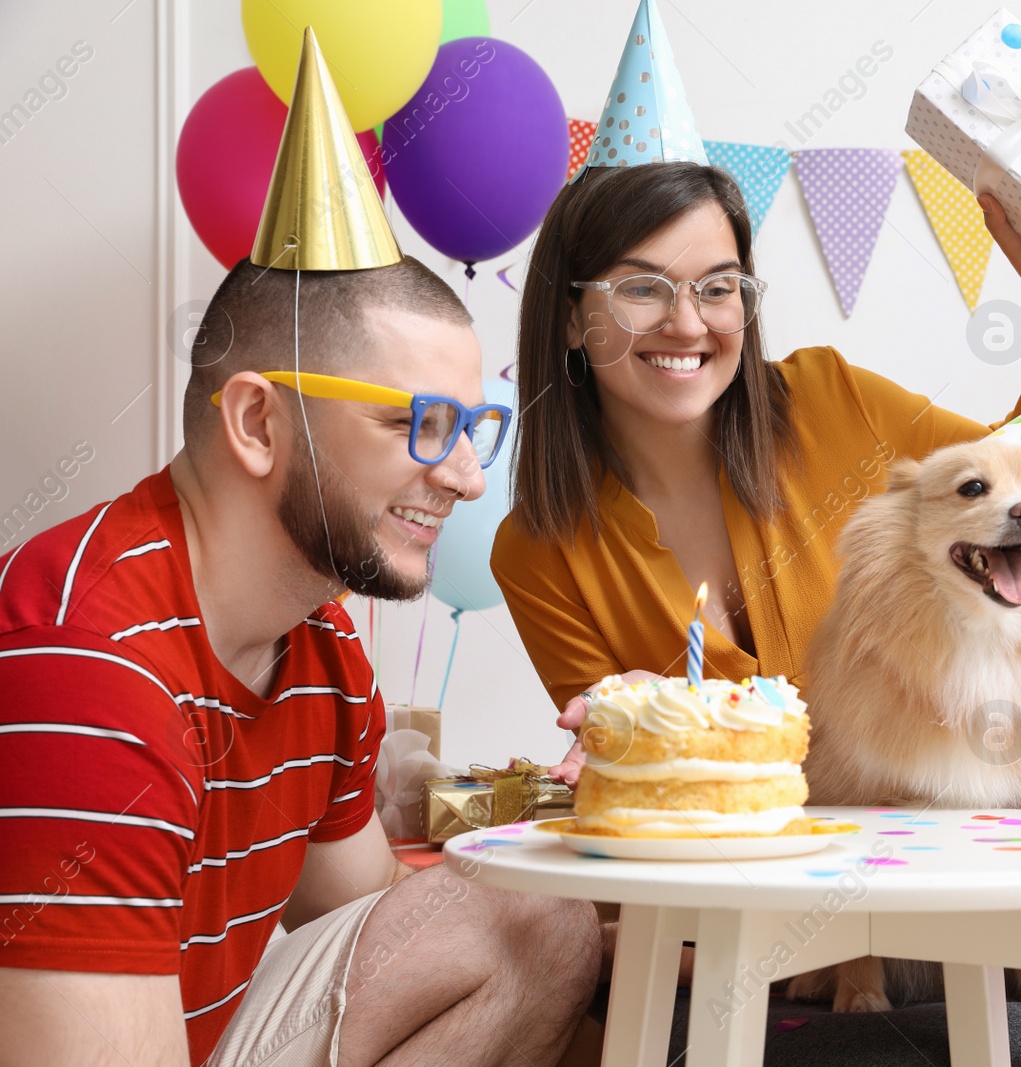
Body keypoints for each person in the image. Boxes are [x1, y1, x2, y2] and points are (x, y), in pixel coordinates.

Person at [0, 31, 599, 1067]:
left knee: (531, 919)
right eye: (420, 425)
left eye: (473, 429)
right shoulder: (88, 666)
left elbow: (377, 918)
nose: (462, 476)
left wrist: (589, 815)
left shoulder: (319, 651)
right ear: (259, 424)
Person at [490, 1, 1021, 788]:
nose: (687, 322)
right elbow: (626, 767)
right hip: (727, 885)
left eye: (718, 287)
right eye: (642, 288)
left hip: (928, 845)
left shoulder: (833, 399)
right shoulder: (537, 555)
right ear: (570, 318)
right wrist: (623, 728)